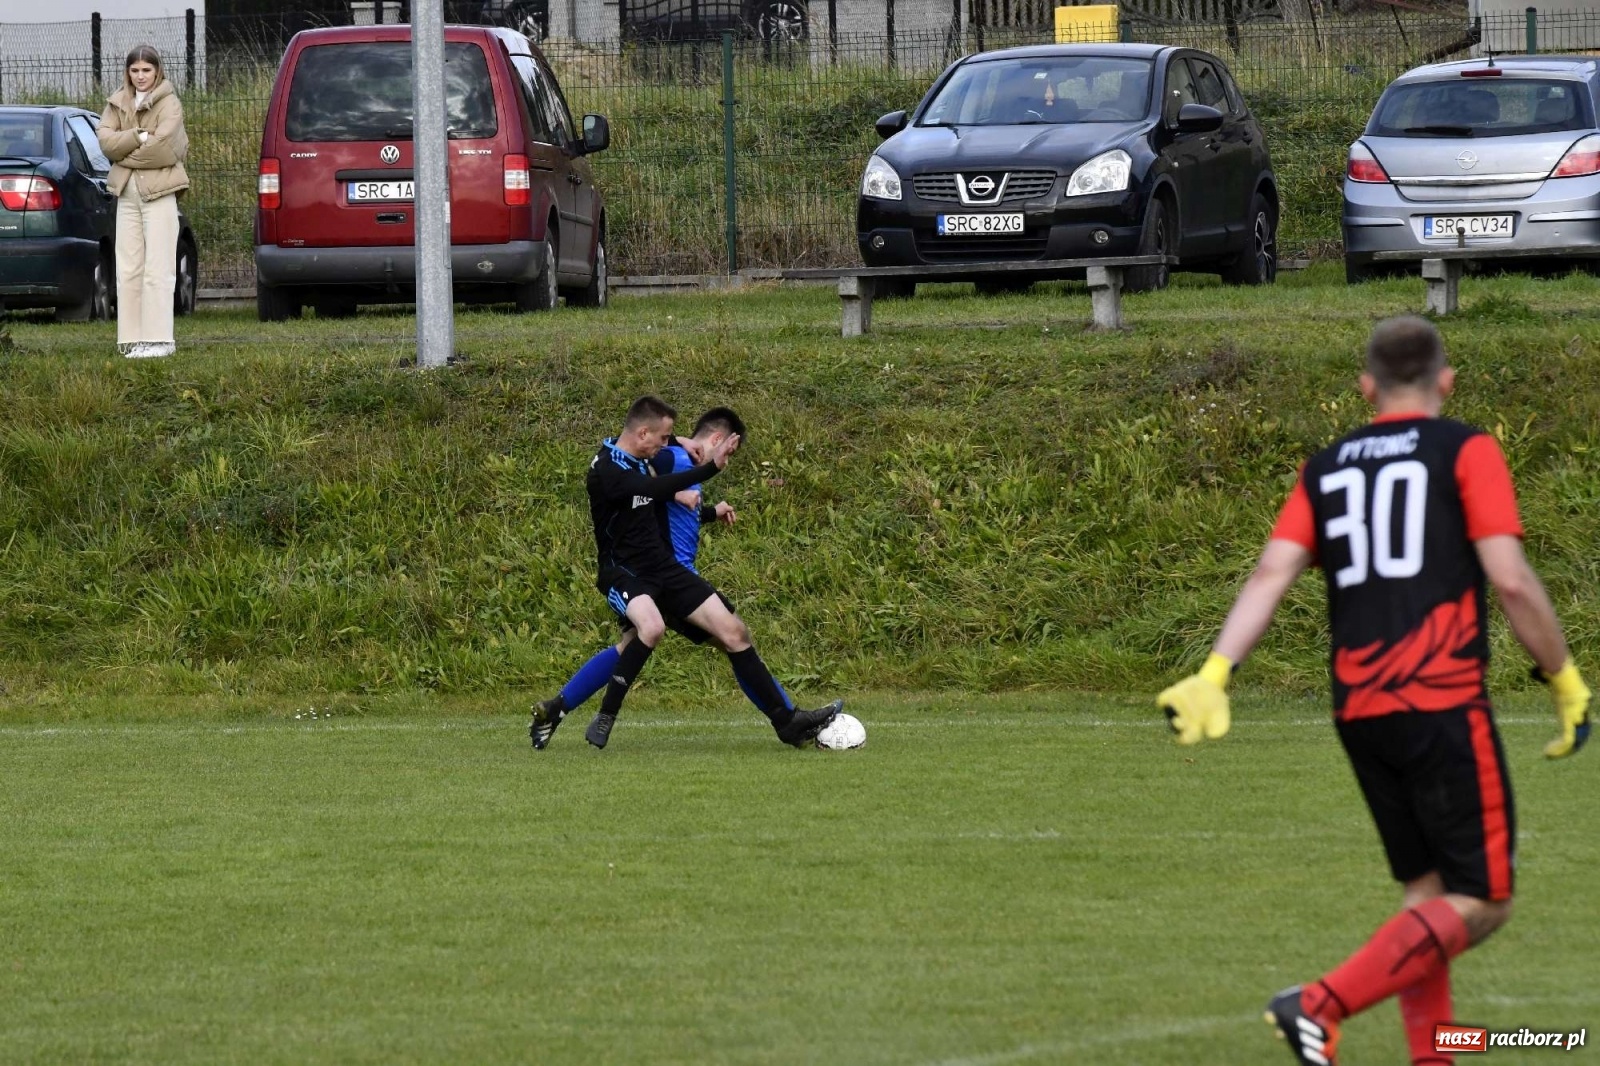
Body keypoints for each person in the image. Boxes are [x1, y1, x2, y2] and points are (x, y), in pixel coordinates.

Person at [1155, 316, 1591, 1066]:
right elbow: (1512, 580)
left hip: (1359, 710)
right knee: (1484, 900)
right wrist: (1564, 677)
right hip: (1442, 701)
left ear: (1366, 389)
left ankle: (1432, 1058)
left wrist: (1216, 672)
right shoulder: (1466, 449)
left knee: (1426, 897)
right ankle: (1317, 1004)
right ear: (1446, 383)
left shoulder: (1326, 468)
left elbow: (1270, 575)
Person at [531, 396, 841, 751]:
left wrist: (695, 483)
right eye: (664, 437)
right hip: (631, 574)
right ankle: (786, 719)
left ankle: (557, 707)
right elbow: (651, 490)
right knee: (675, 634)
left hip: (666, 570)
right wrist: (709, 467)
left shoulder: (647, 454)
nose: (670, 443)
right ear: (645, 434)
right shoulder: (612, 469)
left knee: (730, 635)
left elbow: (658, 493)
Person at [98, 44, 189, 359]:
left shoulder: (170, 103)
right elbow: (105, 143)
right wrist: (137, 137)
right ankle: (131, 341)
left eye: (146, 70)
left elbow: (164, 149)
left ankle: (159, 341)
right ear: (128, 72)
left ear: (157, 70)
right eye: (134, 70)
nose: (140, 76)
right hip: (126, 194)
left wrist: (123, 155)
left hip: (160, 194)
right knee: (128, 267)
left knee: (158, 267)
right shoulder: (116, 102)